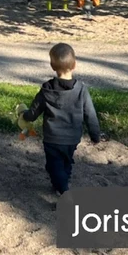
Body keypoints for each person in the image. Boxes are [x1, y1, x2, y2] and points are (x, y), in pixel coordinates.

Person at [20, 42, 101, 196]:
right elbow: (90, 114)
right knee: (66, 161)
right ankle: (61, 183)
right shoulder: (81, 90)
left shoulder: (46, 90)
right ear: (75, 65)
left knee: (53, 165)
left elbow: (34, 111)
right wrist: (95, 135)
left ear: (52, 66)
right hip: (72, 138)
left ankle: (63, 190)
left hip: (52, 138)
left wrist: (24, 115)